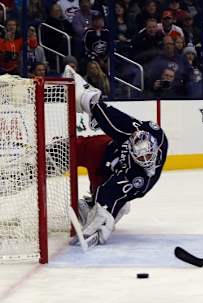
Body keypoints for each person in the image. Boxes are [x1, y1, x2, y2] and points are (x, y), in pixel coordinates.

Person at [64, 65, 168, 245]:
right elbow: (118, 122)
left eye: (146, 158)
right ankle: (30, 166)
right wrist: (92, 103)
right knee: (66, 149)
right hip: (104, 149)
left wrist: (105, 216)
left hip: (108, 174)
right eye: (140, 157)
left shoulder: (140, 180)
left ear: (155, 151)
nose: (145, 161)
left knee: (102, 198)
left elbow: (112, 190)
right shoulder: (150, 131)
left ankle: (98, 209)